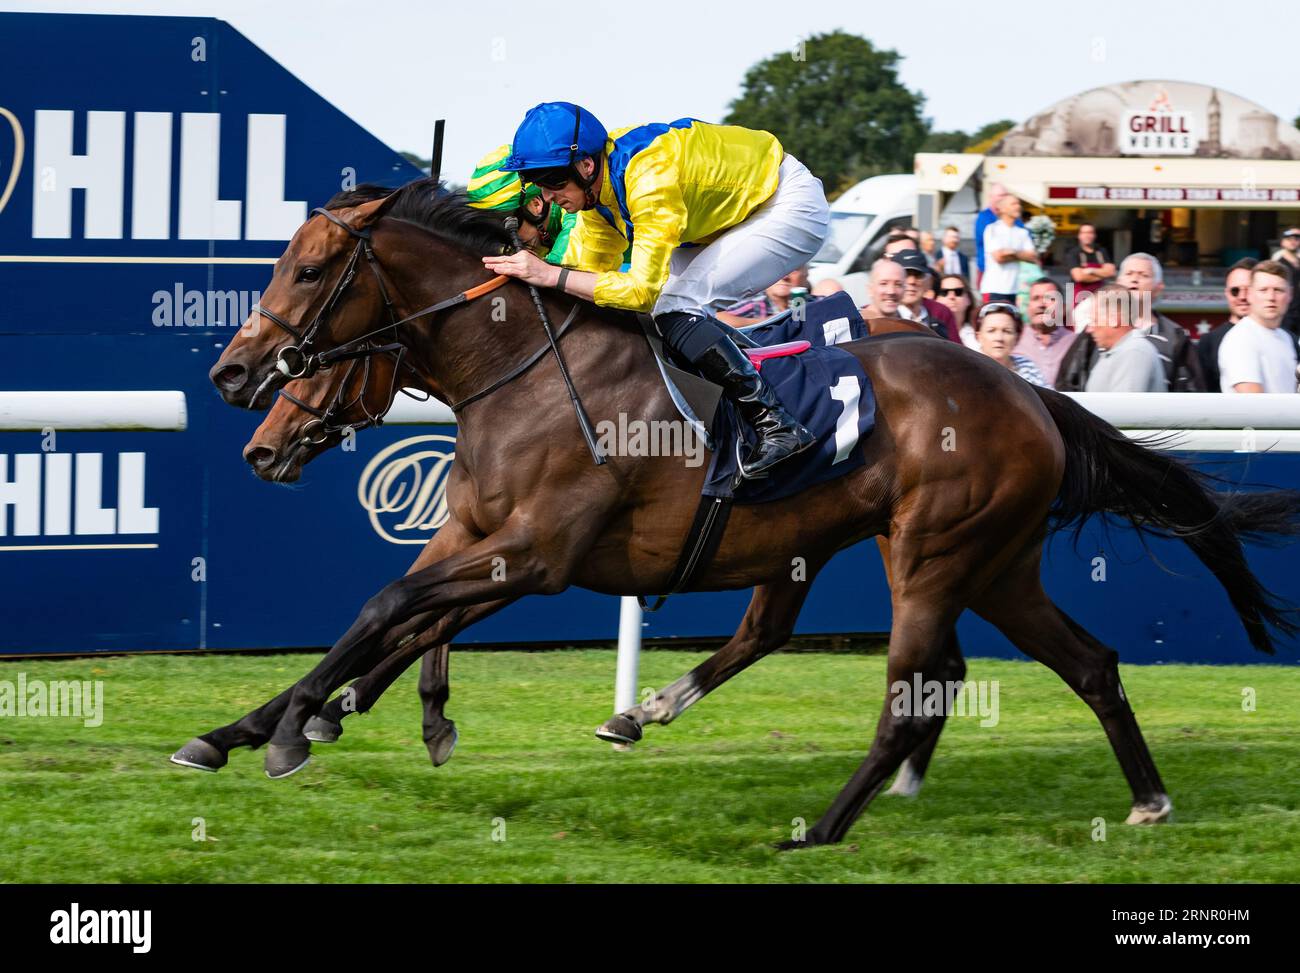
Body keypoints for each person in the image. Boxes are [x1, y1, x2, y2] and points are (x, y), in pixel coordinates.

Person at [486, 103, 830, 479]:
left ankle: (776, 424)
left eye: (552, 181)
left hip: (787, 203)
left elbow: (640, 292)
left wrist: (551, 276)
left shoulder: (648, 177)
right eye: (536, 184)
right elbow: (583, 277)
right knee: (662, 310)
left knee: (674, 305)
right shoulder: (596, 202)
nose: (547, 197)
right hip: (725, 218)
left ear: (585, 167)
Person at [467, 144, 576, 262]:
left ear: (536, 204)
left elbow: (558, 266)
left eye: (506, 226)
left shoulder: (577, 212)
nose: (506, 241)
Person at [1118, 252, 1206, 391]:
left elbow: (1192, 392)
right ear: (1118, 283)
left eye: (1143, 275)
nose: (1134, 279)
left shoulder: (1176, 338)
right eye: (1129, 273)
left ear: (1158, 288)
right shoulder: (1096, 330)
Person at [1217, 261, 1299, 394]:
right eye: (1263, 290)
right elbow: (1254, 404)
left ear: (1290, 294)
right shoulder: (1241, 339)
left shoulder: (1287, 338)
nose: (1271, 297)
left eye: (1278, 290)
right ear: (1250, 294)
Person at [1084, 285, 1168, 392]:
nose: (1089, 329)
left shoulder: (1134, 352)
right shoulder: (1119, 351)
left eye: (1094, 320)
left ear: (1114, 319)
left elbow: (1123, 407)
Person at [1196, 258, 1256, 392]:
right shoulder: (1209, 342)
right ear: (1227, 294)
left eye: (1249, 290)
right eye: (1235, 290)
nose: (1242, 296)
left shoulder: (1285, 338)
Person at [1012, 278, 1076, 386]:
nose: (1041, 304)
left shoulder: (1075, 343)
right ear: (1028, 307)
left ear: (1064, 308)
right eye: (1035, 298)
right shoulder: (1013, 340)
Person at [890, 249, 960, 342]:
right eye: (905, 275)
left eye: (918, 275)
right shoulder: (875, 314)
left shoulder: (941, 313)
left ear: (929, 281)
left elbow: (958, 353)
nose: (912, 281)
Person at [980, 194, 1038, 303]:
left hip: (1016, 291)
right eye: (1013, 204)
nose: (1018, 207)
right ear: (1002, 209)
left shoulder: (1023, 232)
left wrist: (1012, 252)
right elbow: (999, 258)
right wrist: (1021, 256)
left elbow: (1033, 257)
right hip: (994, 289)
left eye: (1019, 204)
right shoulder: (992, 229)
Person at [974, 303, 1048, 385]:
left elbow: (1048, 396)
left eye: (1007, 331)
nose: (999, 338)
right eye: (991, 331)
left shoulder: (1027, 367)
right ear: (978, 336)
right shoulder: (968, 369)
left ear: (1017, 337)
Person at [974, 182, 1022, 285]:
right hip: (989, 273)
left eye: (1005, 195)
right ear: (991, 197)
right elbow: (998, 253)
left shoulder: (1015, 219)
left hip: (1013, 274)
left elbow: (1026, 244)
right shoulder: (984, 218)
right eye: (1000, 195)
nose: (1004, 198)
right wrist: (1020, 254)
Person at [724, 266, 813, 320]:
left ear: (806, 274)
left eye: (794, 269)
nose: (785, 277)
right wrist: (775, 321)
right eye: (777, 269)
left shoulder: (817, 303)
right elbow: (718, 319)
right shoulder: (754, 306)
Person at [1063, 223, 1115, 303]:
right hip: (1079, 297)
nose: (1087, 235)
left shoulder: (1101, 251)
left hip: (1100, 295)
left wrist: (1091, 270)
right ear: (1079, 235)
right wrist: (1103, 274)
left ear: (1094, 235)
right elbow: (1079, 277)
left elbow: (1111, 272)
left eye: (1090, 232)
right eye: (1084, 233)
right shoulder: (1073, 253)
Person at [935, 273, 979, 350]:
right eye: (944, 292)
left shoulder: (979, 335)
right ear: (935, 299)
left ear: (968, 299)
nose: (951, 297)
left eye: (958, 292)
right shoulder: (927, 330)